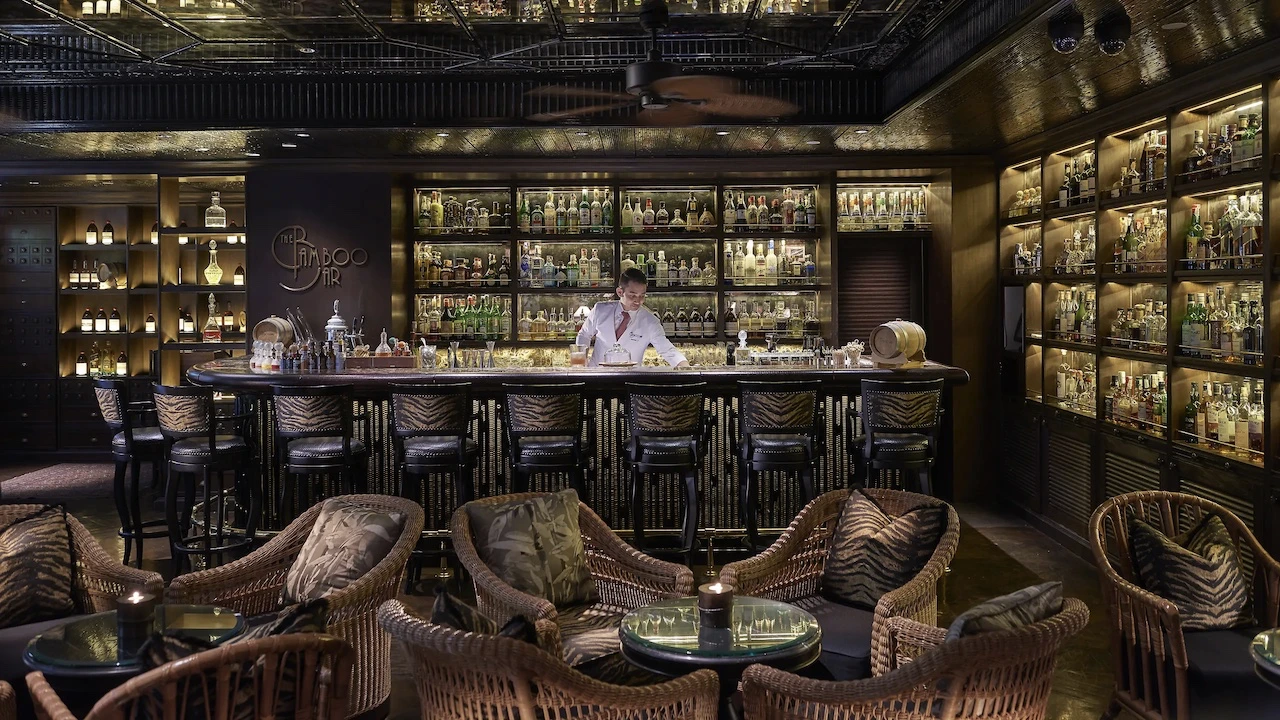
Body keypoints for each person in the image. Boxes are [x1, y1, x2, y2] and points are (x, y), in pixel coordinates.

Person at [576, 267, 689, 368]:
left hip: (630, 381)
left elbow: (667, 349)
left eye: (642, 295)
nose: (638, 300)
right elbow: (584, 334)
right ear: (620, 292)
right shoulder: (600, 310)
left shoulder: (650, 321)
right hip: (596, 378)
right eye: (632, 295)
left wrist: (686, 368)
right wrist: (581, 360)